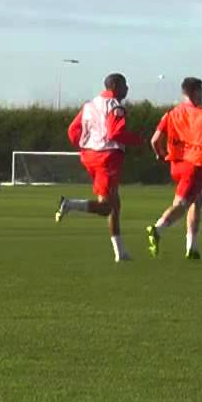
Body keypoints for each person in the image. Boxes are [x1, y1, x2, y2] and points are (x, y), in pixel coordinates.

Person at [56, 73, 143, 263]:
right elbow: (115, 132)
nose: (127, 88)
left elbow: (72, 131)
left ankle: (120, 252)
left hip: (89, 156)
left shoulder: (89, 105)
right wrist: (137, 139)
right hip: (107, 157)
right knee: (106, 207)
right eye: (124, 85)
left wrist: (86, 145)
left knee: (115, 204)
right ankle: (69, 204)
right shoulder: (114, 106)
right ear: (115, 86)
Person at [146, 77, 202, 261]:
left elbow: (154, 140)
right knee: (181, 205)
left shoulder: (171, 113)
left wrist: (161, 154)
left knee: (197, 200)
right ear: (195, 92)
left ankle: (192, 247)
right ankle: (158, 228)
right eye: (201, 92)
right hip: (193, 166)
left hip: (176, 165)